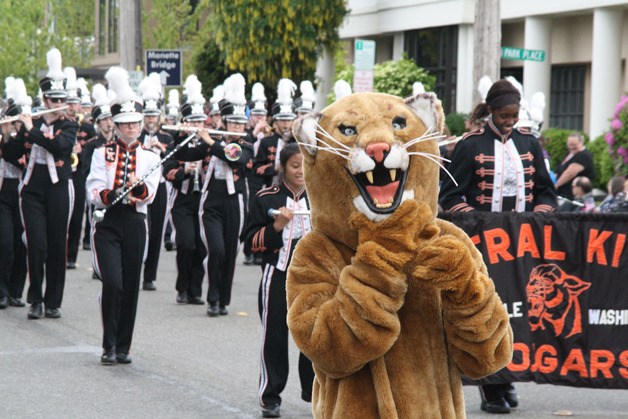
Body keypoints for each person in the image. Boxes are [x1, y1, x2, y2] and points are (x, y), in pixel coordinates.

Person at [439, 79, 557, 414]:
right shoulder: (469, 145)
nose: (510, 121)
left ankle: (506, 378)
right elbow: (449, 195)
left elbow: (547, 191)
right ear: (491, 111)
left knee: (516, 313)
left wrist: (539, 215)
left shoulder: (530, 142)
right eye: (505, 115)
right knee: (486, 314)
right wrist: (477, 220)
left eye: (514, 115)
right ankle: (491, 387)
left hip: (521, 243)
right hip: (484, 245)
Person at [86, 66, 161, 365]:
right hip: (107, 223)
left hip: (135, 223)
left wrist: (137, 188)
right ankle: (108, 343)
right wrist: (110, 195)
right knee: (113, 283)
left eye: (135, 123)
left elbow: (151, 193)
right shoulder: (100, 154)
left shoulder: (151, 157)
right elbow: (94, 187)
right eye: (125, 123)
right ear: (115, 125)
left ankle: (123, 347)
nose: (131, 128)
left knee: (131, 284)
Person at [2, 48, 78, 320]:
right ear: (44, 99)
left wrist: (32, 132)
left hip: (58, 189)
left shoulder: (69, 124)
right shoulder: (29, 121)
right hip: (32, 190)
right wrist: (8, 133)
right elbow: (11, 156)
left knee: (57, 244)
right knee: (36, 243)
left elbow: (60, 147)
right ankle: (35, 299)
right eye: (54, 99)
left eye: (62, 98)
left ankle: (53, 301)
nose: (59, 103)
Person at [243, 144, 314, 418]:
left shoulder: (321, 197)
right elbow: (250, 242)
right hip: (277, 274)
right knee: (273, 336)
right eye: (295, 165)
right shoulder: (265, 197)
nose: (301, 171)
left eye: (305, 165)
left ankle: (313, 389)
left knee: (314, 334)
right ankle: (270, 396)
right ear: (283, 167)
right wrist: (276, 227)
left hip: (313, 277)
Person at [174, 73, 253, 317]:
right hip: (211, 203)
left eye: (241, 124)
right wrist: (184, 134)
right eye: (233, 123)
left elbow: (235, 159)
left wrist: (209, 142)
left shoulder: (246, 145)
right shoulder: (212, 139)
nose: (237, 128)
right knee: (216, 250)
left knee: (230, 253)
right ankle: (212, 299)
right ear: (225, 123)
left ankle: (223, 300)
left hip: (235, 203)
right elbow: (185, 156)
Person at [162, 75, 207, 306]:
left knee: (201, 246)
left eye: (201, 122)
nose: (197, 127)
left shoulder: (209, 144)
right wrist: (185, 172)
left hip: (204, 201)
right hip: (182, 200)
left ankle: (195, 290)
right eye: (193, 122)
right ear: (185, 122)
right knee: (187, 243)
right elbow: (167, 171)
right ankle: (182, 287)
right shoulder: (174, 144)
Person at [138, 74, 174, 291]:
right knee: (141, 228)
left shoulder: (167, 137)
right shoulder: (135, 135)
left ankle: (149, 276)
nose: (150, 120)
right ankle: (135, 265)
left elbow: (173, 161)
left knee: (157, 229)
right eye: (147, 116)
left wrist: (163, 150)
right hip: (139, 186)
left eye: (153, 116)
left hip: (159, 186)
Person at [65, 67, 97, 270]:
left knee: (77, 214)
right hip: (61, 169)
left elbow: (92, 151)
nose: (71, 106)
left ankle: (70, 255)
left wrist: (80, 151)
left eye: (74, 102)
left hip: (79, 173)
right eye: (68, 103)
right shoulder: (60, 124)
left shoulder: (86, 127)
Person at [0, 80, 28, 309]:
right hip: (2, 193)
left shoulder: (27, 140)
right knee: (5, 243)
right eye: (13, 122)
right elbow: (8, 154)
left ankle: (16, 291)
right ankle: (2, 290)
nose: (15, 126)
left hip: (22, 193)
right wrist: (5, 135)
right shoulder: (3, 139)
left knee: (22, 243)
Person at [253, 79, 298, 188]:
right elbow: (256, 170)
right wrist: (275, 168)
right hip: (271, 188)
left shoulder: (298, 143)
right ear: (276, 121)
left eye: (289, 120)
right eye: (282, 120)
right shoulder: (266, 142)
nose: (286, 123)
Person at [554, 132, 595, 201]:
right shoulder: (570, 154)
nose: (572, 147)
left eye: (574, 145)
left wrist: (556, 186)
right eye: (570, 144)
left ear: (581, 142)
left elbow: (569, 173)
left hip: (574, 197)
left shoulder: (583, 155)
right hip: (564, 194)